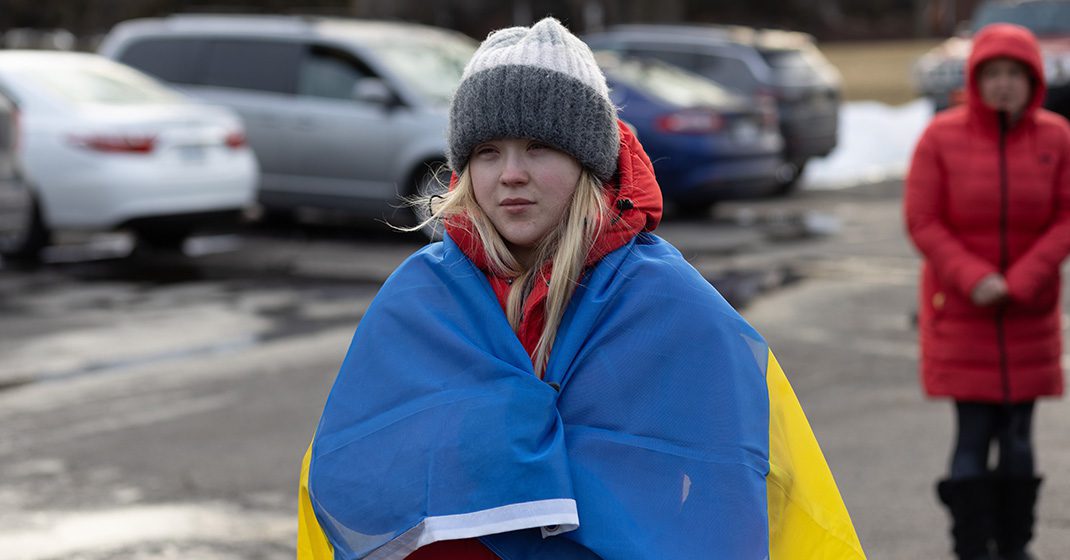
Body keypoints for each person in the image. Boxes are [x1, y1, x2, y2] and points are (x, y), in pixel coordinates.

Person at [297, 17, 865, 560]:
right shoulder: (420, 298)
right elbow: (347, 463)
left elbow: (751, 474)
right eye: (487, 152)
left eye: (538, 148)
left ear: (587, 161)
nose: (510, 174)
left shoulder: (666, 301)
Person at [905, 23, 1070, 560]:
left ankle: (1017, 546)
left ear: (1033, 81)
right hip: (961, 313)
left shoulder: (1057, 138)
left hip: (1030, 312)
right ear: (976, 80)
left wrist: (1020, 280)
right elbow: (923, 219)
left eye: (1014, 75)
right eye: (992, 74)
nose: (1003, 85)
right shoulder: (940, 137)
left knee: (1020, 439)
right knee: (972, 436)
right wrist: (975, 278)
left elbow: (1066, 216)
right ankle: (972, 548)